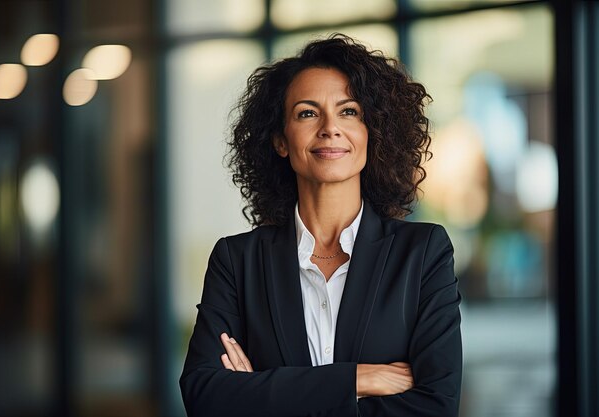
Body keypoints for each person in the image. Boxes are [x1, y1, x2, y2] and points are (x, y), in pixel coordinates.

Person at [180, 34, 462, 417]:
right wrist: (355, 381)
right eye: (307, 113)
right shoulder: (237, 260)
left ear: (371, 132)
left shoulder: (423, 251)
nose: (330, 128)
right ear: (280, 140)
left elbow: (435, 406)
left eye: (349, 112)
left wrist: (263, 393)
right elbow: (206, 395)